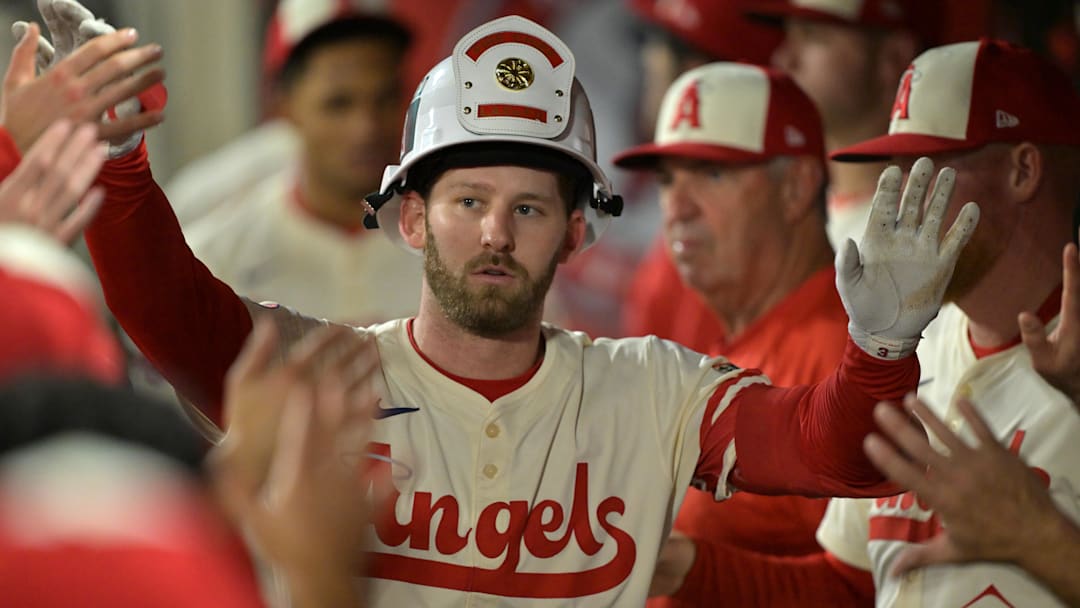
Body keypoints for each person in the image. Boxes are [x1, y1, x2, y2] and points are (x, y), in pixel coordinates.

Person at [74, 7, 977, 604]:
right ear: (414, 219)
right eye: (469, 201)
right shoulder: (326, 372)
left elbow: (830, 452)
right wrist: (119, 167)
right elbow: (172, 315)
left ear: (577, 235)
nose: (497, 233)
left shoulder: (652, 390)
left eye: (531, 207)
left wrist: (882, 344)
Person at [655, 38, 1080, 606]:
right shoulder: (899, 356)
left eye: (926, 166)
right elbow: (848, 585)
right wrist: (679, 567)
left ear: (1023, 169)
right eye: (894, 166)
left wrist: (1041, 540)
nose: (898, 194)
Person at [612, 63, 853, 604]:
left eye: (712, 174)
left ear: (795, 187)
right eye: (669, 178)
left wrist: (694, 569)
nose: (677, 206)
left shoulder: (839, 357)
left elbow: (874, 589)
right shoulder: (748, 339)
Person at [175, 0, 422, 324]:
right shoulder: (213, 261)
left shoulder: (455, 243)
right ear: (284, 104)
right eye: (338, 104)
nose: (367, 128)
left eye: (385, 98)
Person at [621, 0, 783, 350]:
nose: (647, 62)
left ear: (696, 74)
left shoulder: (720, 244)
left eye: (654, 44)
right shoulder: (700, 224)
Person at [751, 0, 927, 249]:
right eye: (788, 34)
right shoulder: (781, 209)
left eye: (812, 35)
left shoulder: (927, 221)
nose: (783, 58)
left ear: (893, 56)